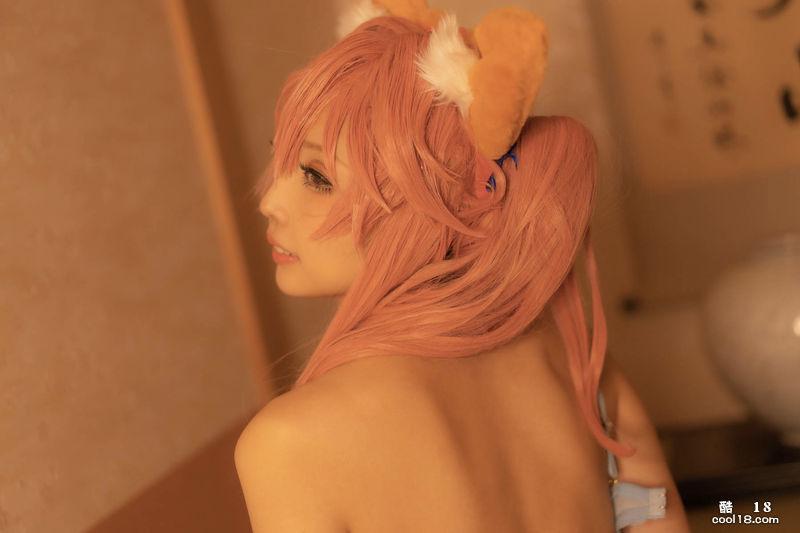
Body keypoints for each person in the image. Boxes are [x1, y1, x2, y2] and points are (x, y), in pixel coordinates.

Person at [235, 1, 691, 531]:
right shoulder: (581, 369)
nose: (269, 200)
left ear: (434, 201)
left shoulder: (288, 441)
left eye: (316, 177)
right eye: (282, 161)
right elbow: (657, 518)